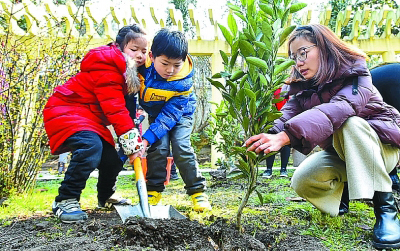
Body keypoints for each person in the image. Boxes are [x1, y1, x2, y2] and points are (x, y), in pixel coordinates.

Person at [244, 24, 400, 249]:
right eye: (293, 56)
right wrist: (266, 138)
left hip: (382, 149)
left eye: (303, 53)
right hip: (344, 154)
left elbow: (340, 108)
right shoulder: (303, 89)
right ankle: (340, 196)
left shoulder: (356, 75)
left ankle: (386, 210)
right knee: (303, 180)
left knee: (351, 124)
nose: (298, 62)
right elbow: (285, 118)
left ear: (324, 48)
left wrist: (287, 136)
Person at [43, 24, 147, 223]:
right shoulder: (108, 66)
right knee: (91, 147)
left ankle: (106, 195)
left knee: (112, 158)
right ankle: (65, 199)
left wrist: (132, 138)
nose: (140, 55)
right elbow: (114, 108)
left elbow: (126, 110)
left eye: (143, 51)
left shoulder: (129, 72)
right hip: (67, 109)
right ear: (119, 47)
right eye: (134, 50)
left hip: (88, 117)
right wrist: (131, 141)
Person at [128, 28, 211, 212]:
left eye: (176, 65)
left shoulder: (183, 83)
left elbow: (170, 117)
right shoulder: (142, 66)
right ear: (152, 56)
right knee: (159, 148)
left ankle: (197, 192)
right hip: (156, 114)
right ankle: (154, 190)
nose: (170, 70)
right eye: (165, 63)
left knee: (181, 146)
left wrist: (146, 139)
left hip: (180, 115)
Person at [261, 87, 291, 178]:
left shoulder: (286, 89)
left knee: (285, 143)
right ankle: (269, 169)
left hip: (286, 118)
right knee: (271, 143)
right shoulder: (269, 90)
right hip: (272, 120)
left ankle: (283, 169)